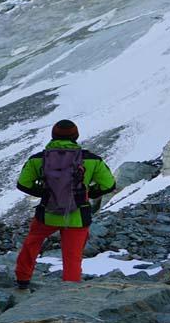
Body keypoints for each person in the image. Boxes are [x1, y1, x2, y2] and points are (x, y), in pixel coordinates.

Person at [14, 119, 115, 287]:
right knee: (72, 256)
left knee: (32, 244)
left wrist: (47, 194)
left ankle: (23, 278)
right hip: (77, 216)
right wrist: (86, 194)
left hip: (47, 213)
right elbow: (108, 185)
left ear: (53, 135)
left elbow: (23, 184)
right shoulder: (92, 160)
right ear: (75, 136)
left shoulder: (38, 159)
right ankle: (70, 289)